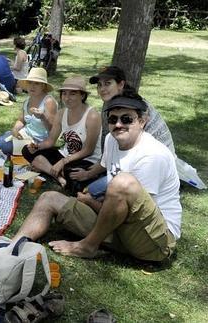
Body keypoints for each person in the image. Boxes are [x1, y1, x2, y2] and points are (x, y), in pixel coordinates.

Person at [13, 93, 181, 262]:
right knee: (49, 198)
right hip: (119, 227)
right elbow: (113, 197)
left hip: (153, 241)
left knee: (122, 182)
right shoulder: (111, 140)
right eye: (112, 119)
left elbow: (136, 215)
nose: (118, 124)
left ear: (142, 121)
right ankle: (12, 247)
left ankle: (87, 246)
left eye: (127, 119)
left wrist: (90, 202)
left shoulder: (152, 155)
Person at [70, 66, 176, 197]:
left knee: (93, 192)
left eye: (108, 83)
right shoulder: (112, 106)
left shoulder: (136, 107)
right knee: (88, 188)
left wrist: (88, 175)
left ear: (121, 84)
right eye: (99, 85)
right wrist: (88, 173)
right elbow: (110, 154)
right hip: (128, 164)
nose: (102, 89)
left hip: (151, 169)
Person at [22, 76, 101, 193]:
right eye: (64, 93)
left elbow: (88, 150)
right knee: (26, 150)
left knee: (71, 175)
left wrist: (63, 162)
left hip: (86, 159)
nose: (67, 98)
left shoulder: (92, 116)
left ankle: (50, 169)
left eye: (72, 94)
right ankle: (58, 176)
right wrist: (37, 147)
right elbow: (50, 141)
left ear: (82, 96)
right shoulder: (61, 113)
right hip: (65, 155)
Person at [0, 67, 58, 156]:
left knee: (4, 147)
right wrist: (15, 129)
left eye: (36, 83)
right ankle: (9, 135)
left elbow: (52, 129)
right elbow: (21, 120)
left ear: (43, 86)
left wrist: (42, 117)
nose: (32, 86)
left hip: (38, 142)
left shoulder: (49, 102)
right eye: (30, 82)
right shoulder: (27, 101)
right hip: (25, 135)